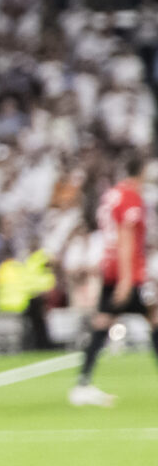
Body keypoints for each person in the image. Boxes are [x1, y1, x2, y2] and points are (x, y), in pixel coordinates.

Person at [71, 154, 156, 407]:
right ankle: (82, 385)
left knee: (104, 322)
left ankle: (82, 384)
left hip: (111, 267)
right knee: (151, 317)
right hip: (126, 271)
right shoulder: (131, 196)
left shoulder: (112, 195)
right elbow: (126, 236)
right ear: (141, 171)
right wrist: (127, 280)